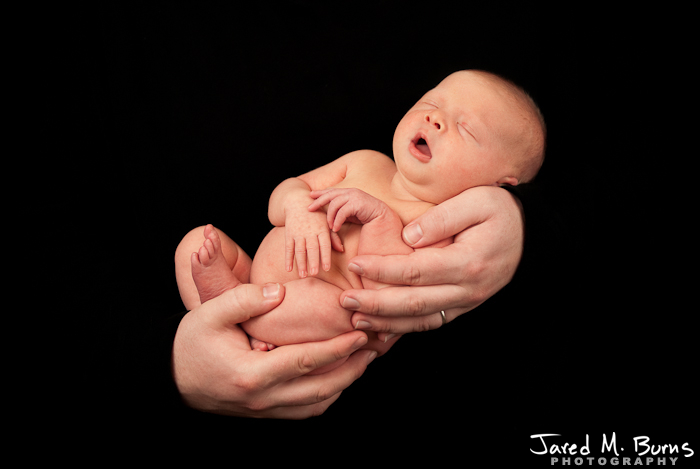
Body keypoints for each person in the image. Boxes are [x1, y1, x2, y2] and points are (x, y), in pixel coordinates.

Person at [174, 70, 546, 373]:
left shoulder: (443, 230)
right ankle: (229, 324)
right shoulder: (365, 161)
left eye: (466, 128)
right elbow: (285, 194)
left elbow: (380, 302)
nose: (435, 117)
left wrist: (380, 219)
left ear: (501, 184)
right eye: (431, 102)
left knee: (339, 310)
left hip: (320, 320)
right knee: (195, 243)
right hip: (257, 273)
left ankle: (239, 315)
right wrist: (298, 206)